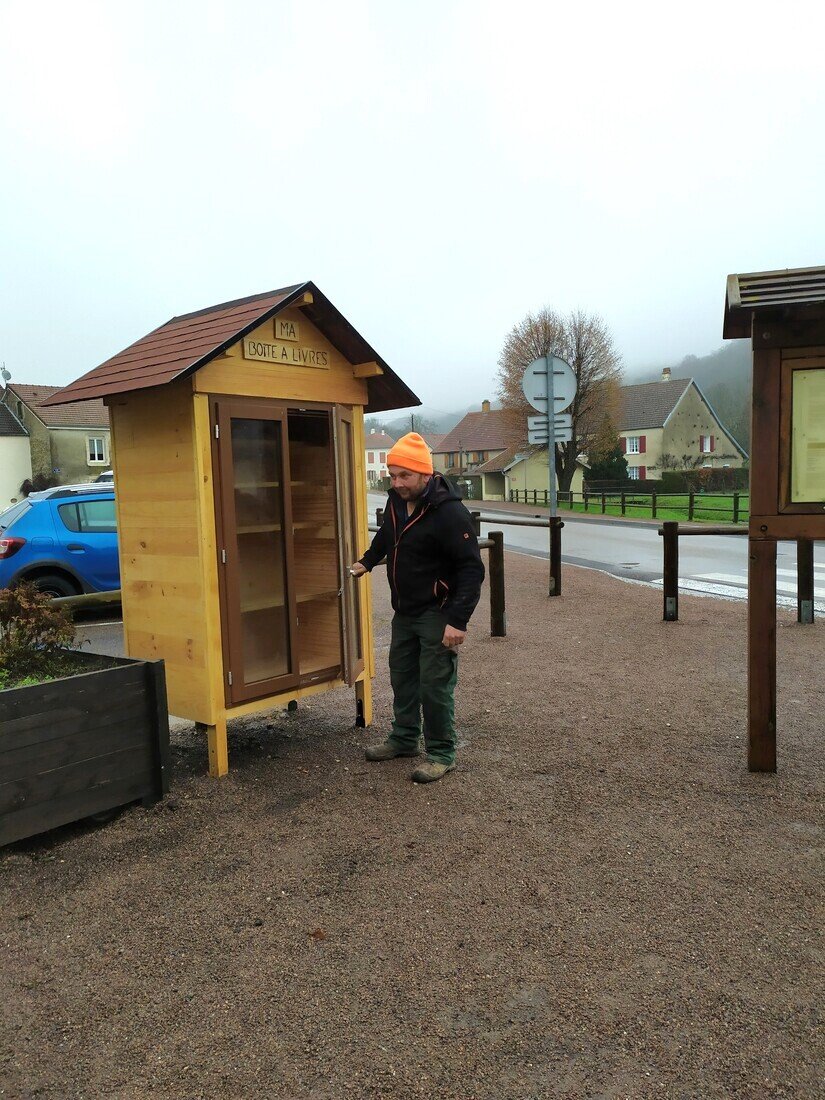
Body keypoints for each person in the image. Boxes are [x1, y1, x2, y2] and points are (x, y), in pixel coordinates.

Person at [350, 432, 484, 783]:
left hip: (436, 612)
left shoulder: (450, 513)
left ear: (424, 474)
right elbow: (387, 535)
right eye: (392, 476)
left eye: (404, 476)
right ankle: (405, 738)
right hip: (404, 611)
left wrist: (457, 621)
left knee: (434, 685)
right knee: (403, 678)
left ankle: (441, 752)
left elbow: (472, 569)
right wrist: (367, 561)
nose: (396, 483)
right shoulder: (397, 501)